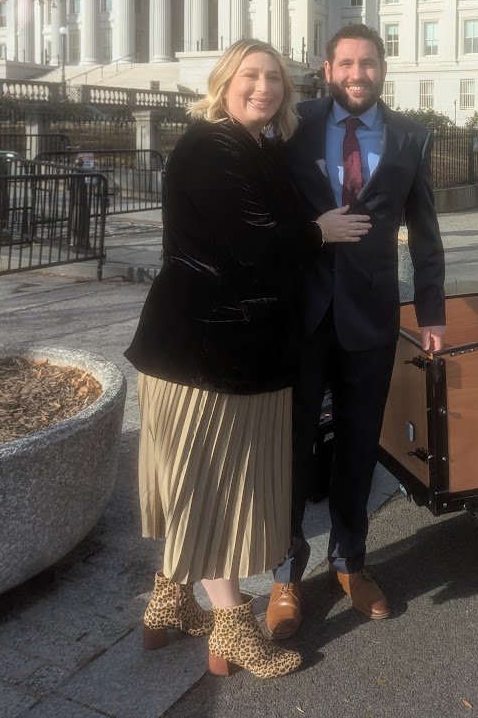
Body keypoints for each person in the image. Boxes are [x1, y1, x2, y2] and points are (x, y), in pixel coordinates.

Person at [124, 39, 370, 679]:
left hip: (241, 353)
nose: (264, 87)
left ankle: (170, 604)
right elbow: (252, 244)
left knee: (206, 487)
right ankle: (233, 626)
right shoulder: (211, 145)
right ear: (223, 81)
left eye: (275, 80)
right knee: (211, 492)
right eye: (250, 76)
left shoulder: (256, 147)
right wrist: (320, 231)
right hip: (202, 354)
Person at [268, 24, 446, 637]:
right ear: (327, 68)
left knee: (358, 445)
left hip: (371, 319)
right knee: (290, 447)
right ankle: (285, 574)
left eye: (367, 63)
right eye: (346, 63)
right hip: (302, 313)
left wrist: (431, 315)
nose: (356, 74)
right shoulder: (292, 125)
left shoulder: (411, 138)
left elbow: (425, 232)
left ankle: (350, 561)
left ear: (383, 69)